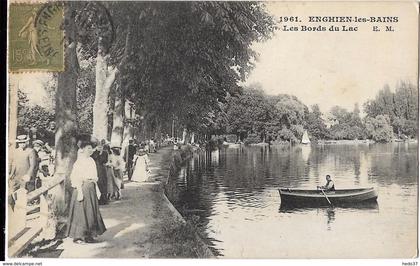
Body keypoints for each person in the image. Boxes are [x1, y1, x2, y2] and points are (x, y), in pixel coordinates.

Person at [66, 138, 106, 244]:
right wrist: (79, 191)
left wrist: (94, 183)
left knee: (90, 211)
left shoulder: (91, 160)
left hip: (91, 187)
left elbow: (94, 175)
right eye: (88, 148)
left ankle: (89, 235)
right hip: (82, 188)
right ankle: (79, 236)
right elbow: (75, 177)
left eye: (91, 148)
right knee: (81, 212)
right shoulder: (79, 162)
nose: (91, 150)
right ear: (82, 149)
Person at [91, 140, 109, 205]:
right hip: (96, 169)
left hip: (102, 169)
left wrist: (101, 153)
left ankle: (104, 199)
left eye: (101, 146)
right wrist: (98, 153)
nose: (100, 148)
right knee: (98, 183)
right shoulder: (94, 153)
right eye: (98, 147)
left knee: (103, 183)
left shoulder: (105, 153)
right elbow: (95, 159)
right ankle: (98, 200)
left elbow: (105, 161)